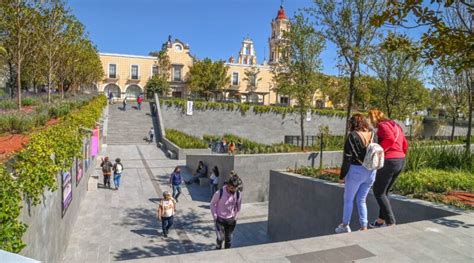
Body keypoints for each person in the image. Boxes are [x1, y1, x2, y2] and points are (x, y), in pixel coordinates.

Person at [335, 114, 377, 234]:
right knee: (361, 199)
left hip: (356, 171)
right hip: (371, 172)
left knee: (348, 199)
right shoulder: (373, 134)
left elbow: (347, 158)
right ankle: (364, 226)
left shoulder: (352, 136)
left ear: (353, 123)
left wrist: (342, 176)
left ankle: (345, 224)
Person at [368, 109, 408, 228]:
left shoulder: (382, 125)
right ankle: (380, 220)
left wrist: (380, 152)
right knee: (385, 191)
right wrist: (401, 155)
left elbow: (390, 139)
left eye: (370, 119)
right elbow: (405, 143)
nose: (370, 122)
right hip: (400, 160)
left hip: (389, 161)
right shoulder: (396, 126)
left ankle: (391, 223)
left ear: (374, 118)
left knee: (378, 191)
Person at [210, 172, 243, 249]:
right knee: (220, 237)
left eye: (235, 188)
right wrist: (215, 216)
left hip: (231, 220)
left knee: (228, 239)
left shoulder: (238, 194)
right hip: (219, 219)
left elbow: (238, 207)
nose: (234, 190)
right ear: (228, 186)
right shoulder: (219, 193)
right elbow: (212, 204)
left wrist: (235, 217)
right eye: (232, 188)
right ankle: (218, 246)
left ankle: (227, 253)